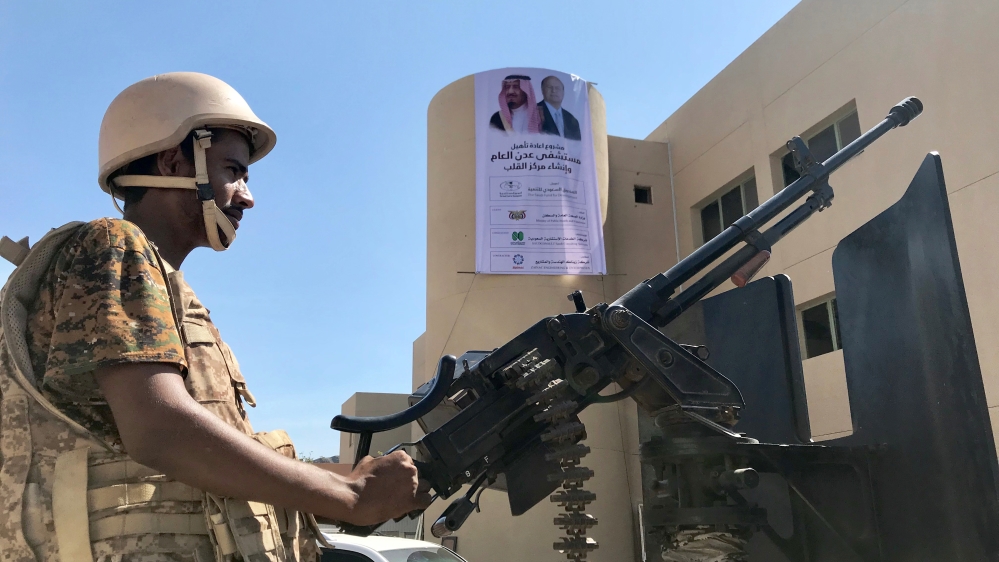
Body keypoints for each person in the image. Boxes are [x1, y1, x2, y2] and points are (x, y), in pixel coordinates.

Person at [0, 72, 431, 562]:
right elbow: (159, 429)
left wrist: (356, 481)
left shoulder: (166, 286)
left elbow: (216, 458)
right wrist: (350, 498)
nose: (247, 196)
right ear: (172, 160)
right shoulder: (115, 245)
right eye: (233, 171)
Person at [538, 75, 581, 141]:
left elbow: (577, 146)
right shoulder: (534, 111)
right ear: (542, 90)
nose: (554, 91)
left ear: (563, 92)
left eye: (557, 88)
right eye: (549, 87)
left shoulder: (572, 120)